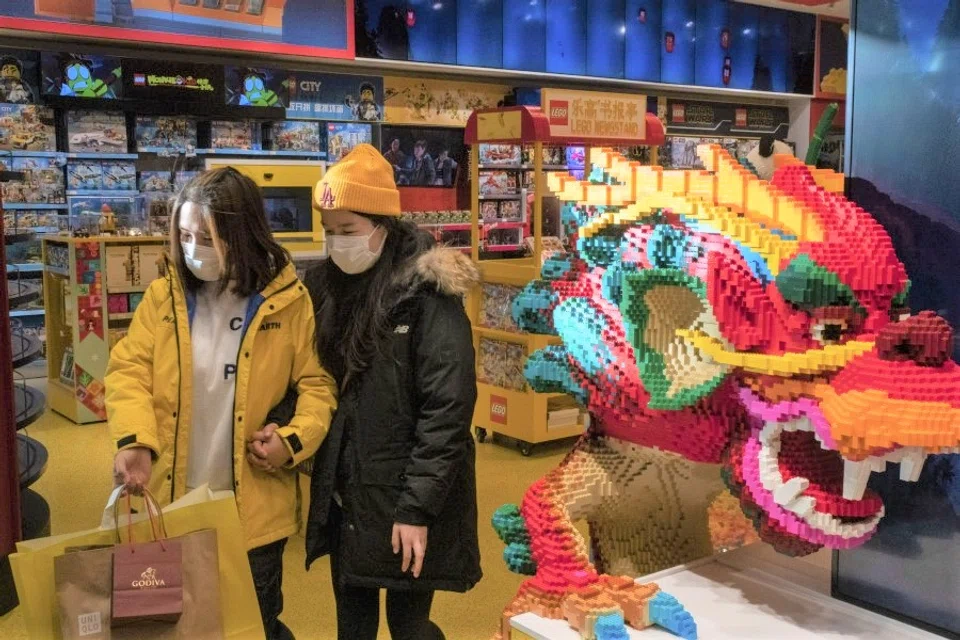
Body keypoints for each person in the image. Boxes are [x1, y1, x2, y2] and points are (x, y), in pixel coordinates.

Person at [106, 167, 337, 640]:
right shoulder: (162, 298)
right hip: (170, 503)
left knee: (252, 623)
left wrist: (292, 441)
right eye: (185, 236)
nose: (193, 251)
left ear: (242, 234)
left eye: (207, 239)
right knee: (174, 624)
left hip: (252, 514)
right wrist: (135, 440)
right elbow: (128, 370)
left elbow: (318, 385)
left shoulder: (289, 302)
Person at [262, 144, 481, 640]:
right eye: (330, 232)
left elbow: (446, 409)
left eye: (349, 231)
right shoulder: (323, 288)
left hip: (407, 493)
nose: (338, 243)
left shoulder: (428, 292)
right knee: (352, 626)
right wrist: (283, 422)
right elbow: (312, 378)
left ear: (384, 226)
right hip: (349, 495)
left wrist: (416, 509)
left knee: (410, 626)